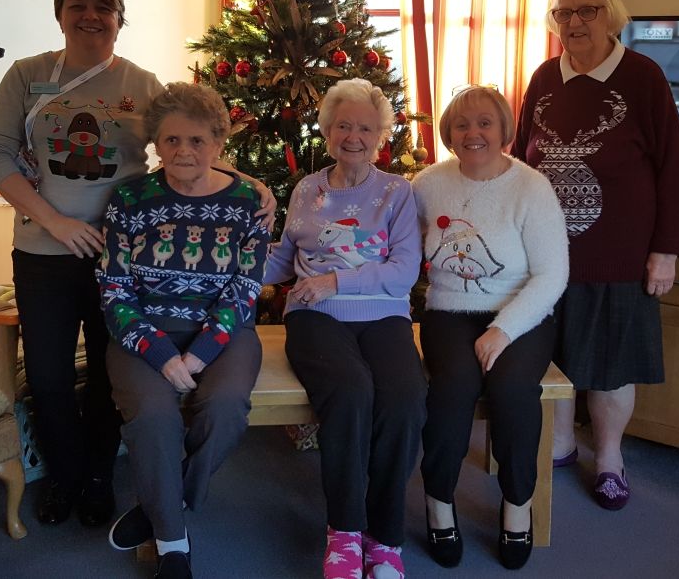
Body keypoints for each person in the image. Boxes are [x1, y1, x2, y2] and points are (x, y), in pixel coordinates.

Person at [0, 0, 274, 530]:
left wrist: (246, 182)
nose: (91, 16)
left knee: (113, 369)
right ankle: (63, 475)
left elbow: (186, 143)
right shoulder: (26, 75)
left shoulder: (142, 84)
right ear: (60, 14)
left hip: (128, 255)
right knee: (49, 375)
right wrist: (55, 221)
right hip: (45, 251)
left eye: (103, 7)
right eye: (78, 5)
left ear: (119, 18)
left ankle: (95, 476)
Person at [513, 0, 679, 511]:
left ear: (610, 14)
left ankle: (610, 457)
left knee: (610, 366)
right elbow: (521, 159)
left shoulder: (642, 77)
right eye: (563, 14)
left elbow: (673, 168)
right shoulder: (545, 77)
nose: (573, 24)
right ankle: (562, 442)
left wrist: (665, 250)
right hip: (545, 257)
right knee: (553, 360)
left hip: (619, 255)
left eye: (585, 11)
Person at [97, 83, 269, 579]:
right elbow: (115, 290)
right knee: (153, 416)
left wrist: (197, 356)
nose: (184, 152)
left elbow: (244, 289)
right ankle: (173, 542)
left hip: (224, 332)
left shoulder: (249, 203)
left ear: (218, 144)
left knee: (224, 409)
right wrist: (161, 355)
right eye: (171, 140)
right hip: (142, 333)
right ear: (156, 143)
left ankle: (158, 503)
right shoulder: (130, 199)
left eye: (197, 141)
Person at [264, 78, 426, 579]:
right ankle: (345, 532)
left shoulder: (398, 193)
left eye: (364, 128)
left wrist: (336, 280)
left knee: (403, 396)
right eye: (342, 125)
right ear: (327, 130)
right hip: (314, 316)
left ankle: (386, 535)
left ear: (381, 135)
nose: (352, 136)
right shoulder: (306, 189)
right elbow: (284, 261)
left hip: (383, 313)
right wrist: (225, 264)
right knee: (351, 391)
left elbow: (404, 271)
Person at [412, 85, 568, 570]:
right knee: (452, 387)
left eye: (484, 123)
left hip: (522, 312)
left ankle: (516, 506)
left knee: (514, 389)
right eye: (461, 124)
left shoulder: (531, 187)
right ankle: (439, 502)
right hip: (448, 310)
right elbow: (388, 234)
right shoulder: (425, 184)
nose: (472, 133)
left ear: (503, 130)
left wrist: (503, 330)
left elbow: (552, 274)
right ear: (448, 134)